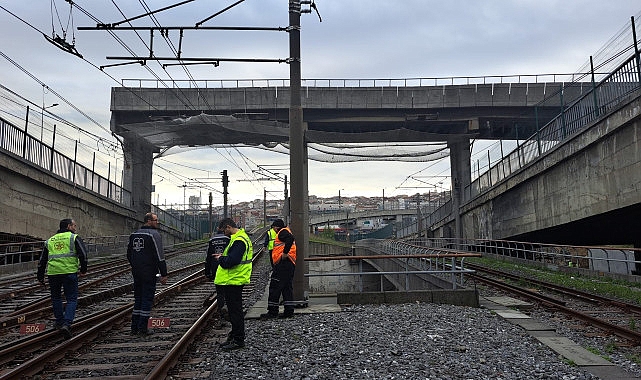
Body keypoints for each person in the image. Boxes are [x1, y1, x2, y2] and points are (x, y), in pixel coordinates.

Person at [37, 218, 88, 339]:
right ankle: (67, 324)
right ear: (69, 226)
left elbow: (42, 260)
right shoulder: (74, 238)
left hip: (53, 273)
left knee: (56, 298)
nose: (75, 228)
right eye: (74, 225)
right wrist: (83, 270)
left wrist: (40, 276)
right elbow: (83, 255)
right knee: (71, 299)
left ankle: (59, 322)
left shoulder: (50, 240)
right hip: (69, 272)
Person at [213, 218, 253, 350]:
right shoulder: (239, 238)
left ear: (229, 227)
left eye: (224, 230)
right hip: (234, 279)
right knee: (234, 311)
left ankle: (238, 340)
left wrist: (221, 259)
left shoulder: (239, 240)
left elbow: (233, 260)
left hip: (234, 279)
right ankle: (235, 336)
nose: (224, 233)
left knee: (235, 312)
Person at [127, 212, 168, 336]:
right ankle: (143, 327)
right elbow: (160, 256)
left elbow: (129, 254)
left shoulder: (134, 235)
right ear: (149, 221)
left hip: (137, 272)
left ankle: (134, 327)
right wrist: (163, 274)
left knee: (138, 298)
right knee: (147, 299)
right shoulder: (154, 235)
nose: (157, 222)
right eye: (155, 220)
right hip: (149, 272)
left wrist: (135, 265)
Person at [260, 219, 296, 319]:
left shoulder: (282, 232)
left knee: (275, 287)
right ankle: (289, 311)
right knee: (287, 288)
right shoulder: (287, 231)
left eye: (274, 227)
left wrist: (284, 253)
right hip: (290, 264)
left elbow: (290, 239)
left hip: (283, 264)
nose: (274, 229)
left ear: (276, 227)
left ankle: (272, 312)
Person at [205, 227, 230, 317]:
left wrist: (207, 273)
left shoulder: (212, 240)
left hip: (215, 267)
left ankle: (221, 309)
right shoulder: (229, 239)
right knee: (228, 289)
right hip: (227, 266)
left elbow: (208, 258)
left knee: (219, 292)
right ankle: (228, 308)